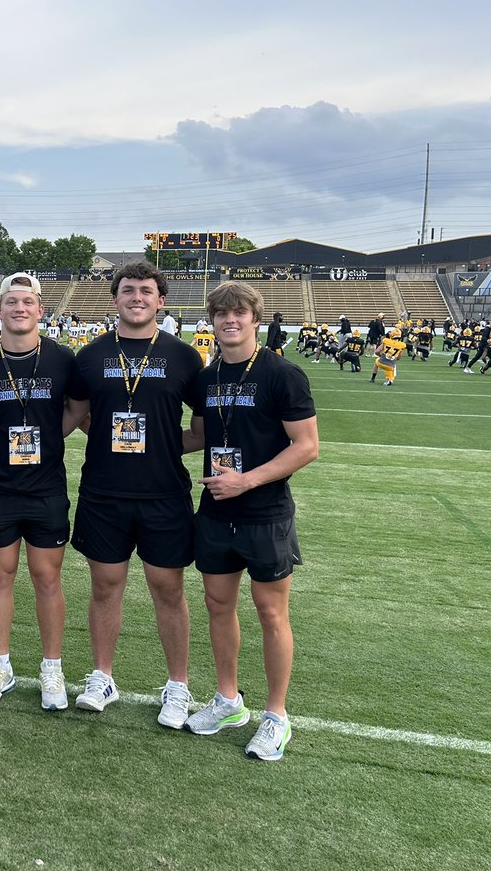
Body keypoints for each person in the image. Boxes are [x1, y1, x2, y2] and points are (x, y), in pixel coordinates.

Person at [63, 261, 204, 727]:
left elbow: (201, 428)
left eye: (146, 290)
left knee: (168, 589)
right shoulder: (90, 354)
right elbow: (79, 413)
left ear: (161, 300)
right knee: (105, 587)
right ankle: (103, 676)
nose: (137, 297)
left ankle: (178, 686)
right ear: (115, 298)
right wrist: (103, 433)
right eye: (128, 290)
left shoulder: (184, 356)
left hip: (164, 493)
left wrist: (162, 443)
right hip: (104, 492)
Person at [182, 281, 317, 761]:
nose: (229, 320)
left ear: (255, 319)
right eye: (221, 314)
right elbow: (198, 436)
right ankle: (228, 700)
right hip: (216, 511)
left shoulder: (282, 373)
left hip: (264, 512)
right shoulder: (207, 377)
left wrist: (248, 481)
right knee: (218, 606)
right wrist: (129, 439)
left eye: (238, 313)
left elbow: (307, 446)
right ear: (212, 321)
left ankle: (276, 715)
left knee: (271, 612)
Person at [0, 273, 87, 711]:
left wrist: (51, 434)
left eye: (27, 301)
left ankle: (51, 668)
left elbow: (78, 407)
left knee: (48, 578)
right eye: (11, 301)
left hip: (46, 486)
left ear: (40, 309)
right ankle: (0, 665)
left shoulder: (63, 359)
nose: (19, 308)